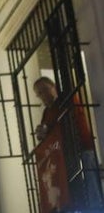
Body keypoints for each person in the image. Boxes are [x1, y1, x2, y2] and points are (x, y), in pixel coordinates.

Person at [33, 76, 101, 210]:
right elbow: (49, 135)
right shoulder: (47, 112)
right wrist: (42, 135)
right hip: (63, 158)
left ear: (53, 86)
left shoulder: (66, 99)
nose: (43, 96)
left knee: (91, 192)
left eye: (45, 90)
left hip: (82, 149)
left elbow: (69, 122)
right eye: (39, 94)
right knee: (75, 195)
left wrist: (49, 129)